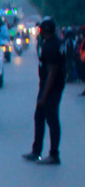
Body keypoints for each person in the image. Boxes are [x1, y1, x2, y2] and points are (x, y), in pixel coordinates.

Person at [23, 19, 65, 165]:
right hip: (47, 86)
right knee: (39, 117)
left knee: (52, 120)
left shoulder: (52, 46)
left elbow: (52, 72)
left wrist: (44, 96)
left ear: (45, 30)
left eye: (40, 30)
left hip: (52, 87)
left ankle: (54, 154)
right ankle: (36, 151)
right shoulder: (53, 42)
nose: (39, 32)